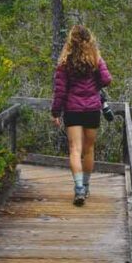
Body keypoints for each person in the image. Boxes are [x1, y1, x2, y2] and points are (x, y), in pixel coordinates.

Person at [50, 25, 112, 205]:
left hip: (73, 110)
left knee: (75, 150)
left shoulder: (65, 62)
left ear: (71, 40)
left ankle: (78, 189)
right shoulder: (95, 59)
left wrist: (55, 112)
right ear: (89, 39)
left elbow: (60, 91)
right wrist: (95, 86)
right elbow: (107, 79)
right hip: (92, 108)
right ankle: (86, 186)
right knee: (89, 149)